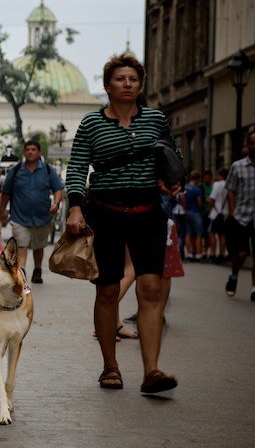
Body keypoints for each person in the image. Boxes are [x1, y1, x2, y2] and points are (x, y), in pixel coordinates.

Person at [64, 53, 180, 395]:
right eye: (120, 79)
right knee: (108, 291)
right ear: (107, 86)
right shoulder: (91, 123)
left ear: (140, 85)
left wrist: (170, 179)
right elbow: (77, 166)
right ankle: (110, 367)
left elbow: (173, 157)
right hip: (106, 212)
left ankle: (151, 371)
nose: (127, 83)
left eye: (133, 79)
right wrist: (74, 207)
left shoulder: (156, 119)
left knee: (151, 289)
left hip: (147, 212)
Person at [0, 139, 64, 283]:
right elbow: (6, 193)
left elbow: (58, 188)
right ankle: (22, 272)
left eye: (33, 149)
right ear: (24, 152)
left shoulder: (47, 170)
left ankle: (38, 269)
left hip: (42, 217)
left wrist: (56, 203)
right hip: (20, 217)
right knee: (21, 245)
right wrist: (2, 211)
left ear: (39, 152)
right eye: (27, 149)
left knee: (38, 246)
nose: (30, 152)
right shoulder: (16, 171)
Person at [225, 128, 255, 301]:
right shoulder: (238, 166)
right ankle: (234, 275)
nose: (254, 146)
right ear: (247, 145)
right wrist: (231, 211)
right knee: (242, 254)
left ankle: (254, 288)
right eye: (251, 143)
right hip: (242, 216)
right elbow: (230, 190)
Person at [207, 168, 229, 263]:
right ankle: (222, 254)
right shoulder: (229, 184)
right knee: (222, 235)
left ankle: (212, 254)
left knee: (211, 233)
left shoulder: (217, 184)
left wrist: (209, 210)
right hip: (225, 213)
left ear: (220, 175)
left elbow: (212, 199)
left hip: (216, 213)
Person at [182, 171, 205, 261]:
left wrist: (185, 207)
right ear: (197, 179)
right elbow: (199, 203)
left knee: (188, 233)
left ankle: (189, 253)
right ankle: (198, 253)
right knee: (199, 233)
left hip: (187, 211)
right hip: (195, 212)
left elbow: (182, 198)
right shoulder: (197, 189)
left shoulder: (186, 187)